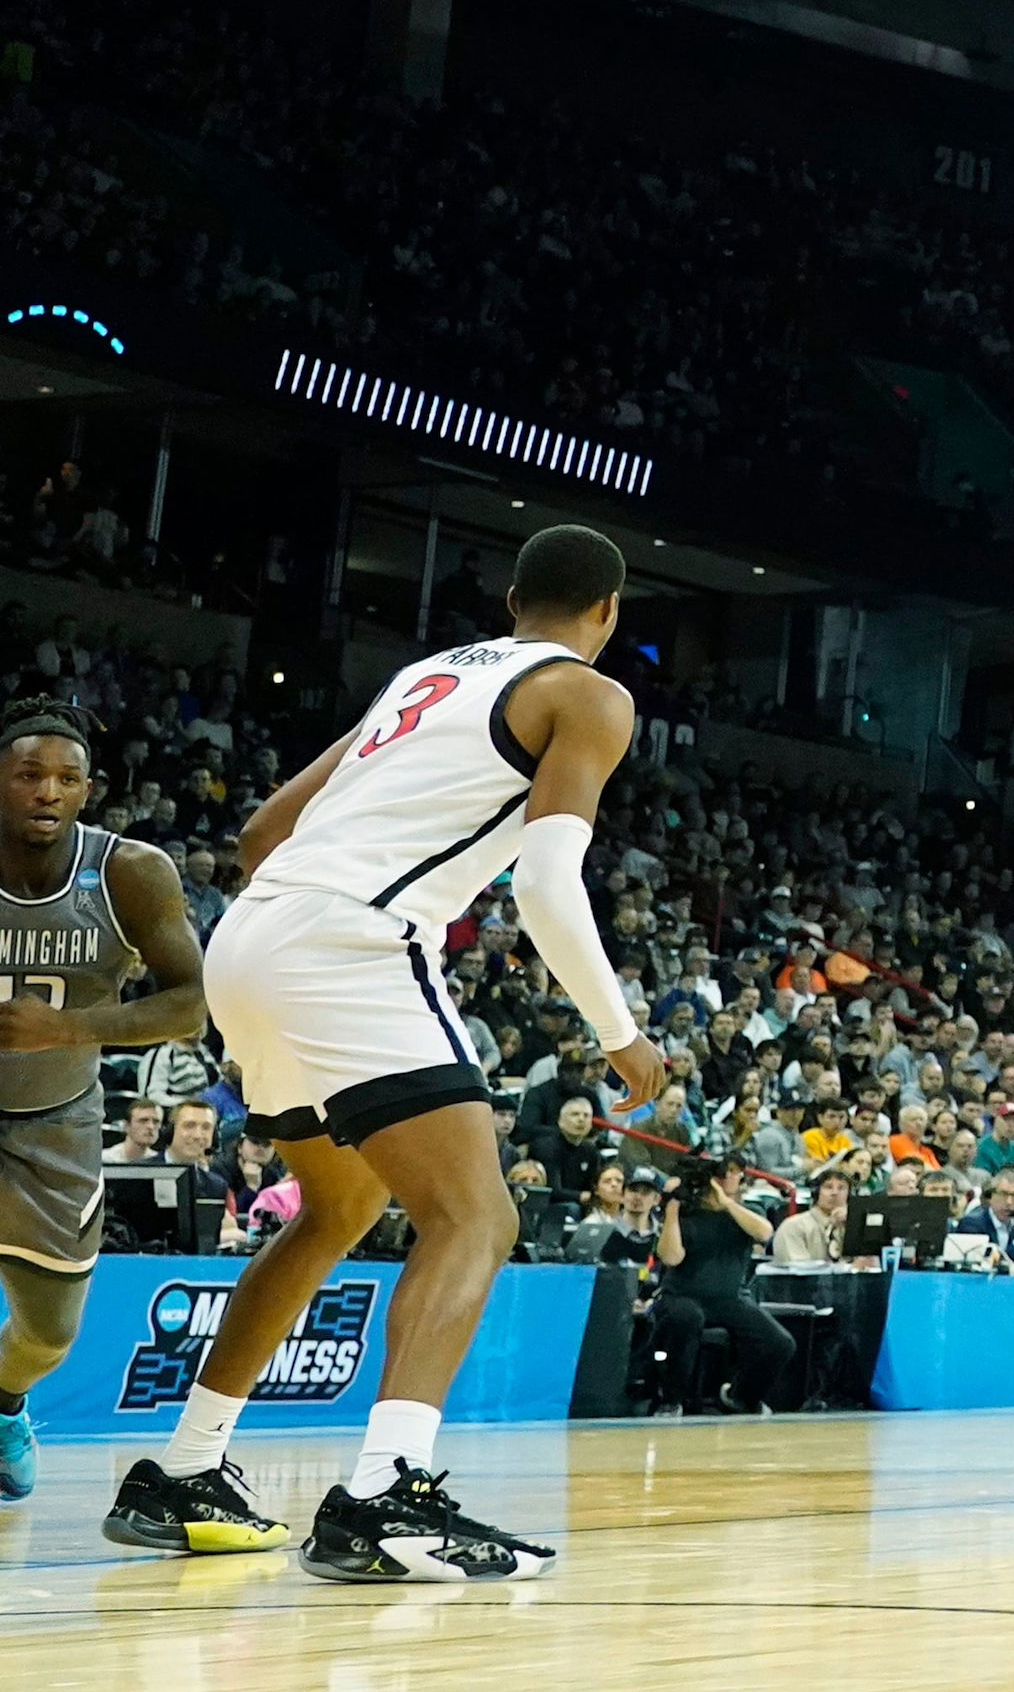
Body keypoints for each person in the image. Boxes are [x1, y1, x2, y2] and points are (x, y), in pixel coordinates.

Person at [106, 524, 666, 1581]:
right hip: (350, 943)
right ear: (609, 611)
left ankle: (183, 1468)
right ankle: (385, 1492)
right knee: (477, 1212)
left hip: (254, 935)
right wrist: (620, 1033)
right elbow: (546, 884)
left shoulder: (427, 674)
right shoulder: (589, 694)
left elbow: (264, 830)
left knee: (340, 1205)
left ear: (510, 600)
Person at [0, 700, 211, 1513]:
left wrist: (69, 1029)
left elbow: (190, 1004)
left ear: (90, 789)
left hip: (57, 1119)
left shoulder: (130, 871)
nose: (47, 792)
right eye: (28, 775)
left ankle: (6, 1402)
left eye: (66, 778)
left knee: (48, 1332)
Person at [647, 1156, 796, 1411]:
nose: (726, 1178)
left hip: (729, 1299)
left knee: (779, 1342)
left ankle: (742, 1396)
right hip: (682, 1296)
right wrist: (672, 1208)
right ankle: (671, 1400)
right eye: (721, 1174)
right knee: (687, 1318)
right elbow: (671, 1257)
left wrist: (726, 1202)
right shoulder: (687, 1214)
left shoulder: (745, 1214)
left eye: (733, 1173)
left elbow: (764, 1233)